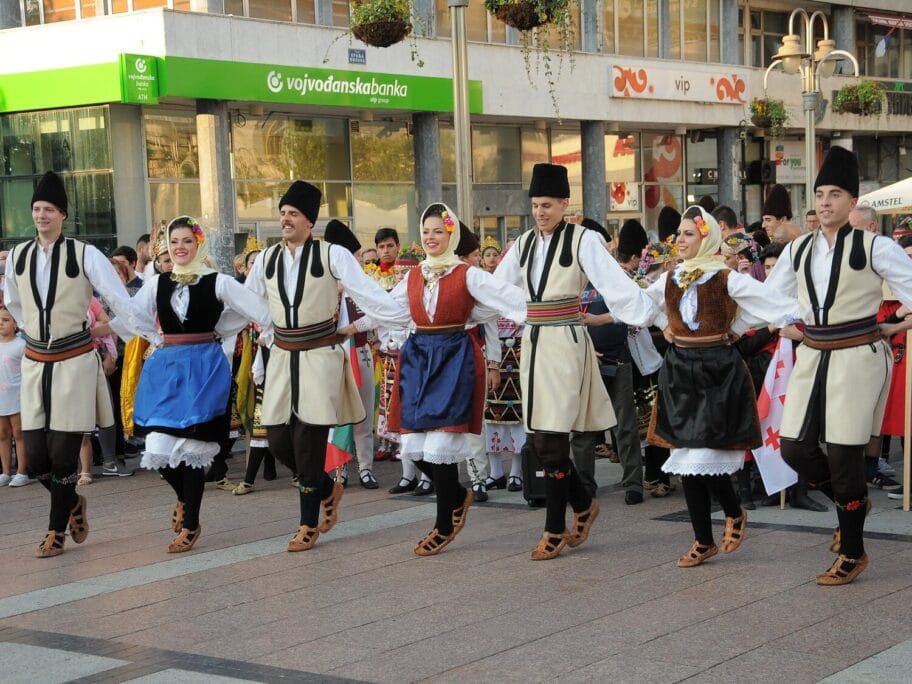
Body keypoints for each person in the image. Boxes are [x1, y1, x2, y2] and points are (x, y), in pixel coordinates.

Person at [495, 163, 657, 560]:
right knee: (539, 437)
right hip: (534, 342)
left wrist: (650, 312)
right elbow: (497, 287)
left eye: (547, 205)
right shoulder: (523, 244)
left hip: (566, 341)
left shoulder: (582, 240)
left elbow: (614, 284)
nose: (539, 212)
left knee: (551, 436)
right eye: (534, 205)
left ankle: (554, 527)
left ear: (565, 203)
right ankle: (582, 503)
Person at [766, 146, 912, 585]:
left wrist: (898, 324)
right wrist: (775, 322)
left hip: (857, 355)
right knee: (793, 448)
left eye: (834, 194)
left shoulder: (876, 246)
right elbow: (771, 298)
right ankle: (851, 506)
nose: (825, 202)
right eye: (820, 194)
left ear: (853, 201)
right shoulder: (798, 249)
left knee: (846, 454)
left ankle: (853, 551)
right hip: (813, 353)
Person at [245, 180, 408, 552]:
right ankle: (323, 485)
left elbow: (363, 291)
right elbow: (250, 300)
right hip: (284, 355)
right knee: (276, 436)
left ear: (310, 222)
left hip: (320, 353)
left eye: (294, 214)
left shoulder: (332, 254)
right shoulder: (268, 259)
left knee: (307, 439)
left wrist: (398, 314)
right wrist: (263, 332)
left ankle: (307, 523)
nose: (286, 220)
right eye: (283, 213)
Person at [645, 206, 795, 568]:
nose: (680, 240)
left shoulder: (726, 277)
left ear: (706, 238)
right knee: (685, 458)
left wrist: (741, 326)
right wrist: (665, 323)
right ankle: (704, 538)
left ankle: (730, 512)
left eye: (688, 234)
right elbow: (641, 303)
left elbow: (767, 303)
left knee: (701, 455)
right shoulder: (671, 278)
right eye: (678, 234)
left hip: (717, 371)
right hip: (681, 371)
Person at [3, 171, 136, 557]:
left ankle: (54, 530)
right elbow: (12, 301)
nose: (41, 216)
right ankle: (73, 503)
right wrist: (30, 327)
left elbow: (117, 297)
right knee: (38, 460)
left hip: (74, 359)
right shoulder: (19, 255)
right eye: (37, 209)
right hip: (35, 360)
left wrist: (135, 336)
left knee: (63, 453)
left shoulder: (85, 253)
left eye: (49, 209)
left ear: (63, 214)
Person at [126, 217, 269, 553]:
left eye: (187, 240)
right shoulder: (157, 284)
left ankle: (190, 524)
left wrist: (223, 329)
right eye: (174, 241)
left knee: (193, 448)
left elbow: (256, 309)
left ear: (198, 244)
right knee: (158, 445)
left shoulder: (217, 282)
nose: (180, 247)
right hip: (167, 366)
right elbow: (133, 316)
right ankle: (184, 501)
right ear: (166, 246)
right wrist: (155, 338)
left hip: (204, 366)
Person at [388, 203, 525, 555]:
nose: (431, 237)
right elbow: (389, 308)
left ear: (450, 235)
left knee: (440, 447)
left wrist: (549, 310)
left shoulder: (467, 273)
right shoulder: (415, 274)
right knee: (414, 448)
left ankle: (443, 523)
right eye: (426, 231)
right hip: (419, 359)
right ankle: (458, 495)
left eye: (438, 231)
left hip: (453, 357)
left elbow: (503, 299)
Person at [573, 218, 648, 504]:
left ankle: (634, 483)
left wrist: (598, 319)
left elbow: (632, 310)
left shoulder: (619, 278)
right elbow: (567, 318)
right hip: (585, 361)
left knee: (625, 425)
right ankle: (584, 484)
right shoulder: (574, 281)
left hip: (618, 360)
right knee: (583, 428)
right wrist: (586, 346)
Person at [324, 219, 379, 489]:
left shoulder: (363, 284)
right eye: (355, 256)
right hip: (332, 357)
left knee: (364, 414)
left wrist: (352, 327)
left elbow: (377, 314)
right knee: (335, 417)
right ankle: (339, 468)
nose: (359, 261)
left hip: (360, 352)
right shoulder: (323, 285)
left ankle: (366, 467)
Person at [0, 306, 28, 488]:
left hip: (17, 396)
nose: (1, 324)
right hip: (1, 397)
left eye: (6, 320)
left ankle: (22, 471)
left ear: (16, 324)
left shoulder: (21, 345)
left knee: (19, 433)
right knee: (2, 434)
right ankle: (5, 471)